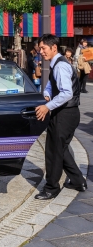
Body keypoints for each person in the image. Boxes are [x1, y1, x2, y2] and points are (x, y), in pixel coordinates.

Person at [35, 34, 86, 200]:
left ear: (53, 47)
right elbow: (52, 84)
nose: (41, 51)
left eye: (43, 48)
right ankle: (78, 181)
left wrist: (46, 106)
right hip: (66, 113)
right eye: (40, 48)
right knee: (61, 150)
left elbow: (66, 93)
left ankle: (51, 188)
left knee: (53, 151)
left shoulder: (60, 66)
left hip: (65, 114)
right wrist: (47, 94)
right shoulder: (57, 63)